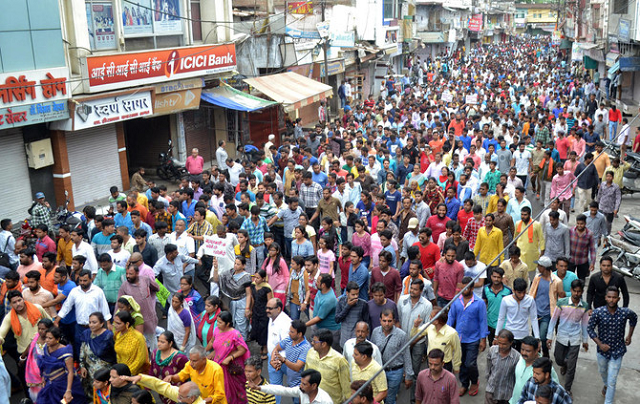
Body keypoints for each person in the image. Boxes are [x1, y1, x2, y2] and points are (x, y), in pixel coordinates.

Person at [588, 286, 637, 404]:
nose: (611, 300)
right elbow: (590, 329)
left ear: (618, 299)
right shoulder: (598, 312)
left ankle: (608, 401)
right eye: (609, 297)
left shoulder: (625, 312)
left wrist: (629, 335)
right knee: (603, 372)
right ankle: (605, 385)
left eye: (614, 297)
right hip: (602, 353)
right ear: (605, 298)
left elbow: (634, 318)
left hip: (618, 351)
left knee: (612, 381)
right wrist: (600, 344)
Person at [546, 279, 589, 396]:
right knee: (559, 359)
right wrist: (549, 336)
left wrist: (585, 340)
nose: (576, 294)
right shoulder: (562, 303)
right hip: (562, 336)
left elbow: (584, 324)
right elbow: (554, 319)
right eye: (574, 291)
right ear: (571, 290)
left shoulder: (584, 306)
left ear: (582, 292)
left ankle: (567, 389)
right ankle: (564, 364)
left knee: (572, 366)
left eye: (579, 291)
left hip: (575, 338)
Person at [447, 277, 487, 397]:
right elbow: (451, 318)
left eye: (467, 287)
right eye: (462, 287)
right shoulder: (456, 301)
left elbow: (482, 321)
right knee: (461, 362)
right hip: (458, 338)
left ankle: (474, 381)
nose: (464, 289)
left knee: (470, 363)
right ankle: (464, 384)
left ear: (472, 288)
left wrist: (483, 340)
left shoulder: (479, 303)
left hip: (473, 339)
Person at [370, 309, 413, 404]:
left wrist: (408, 375)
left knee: (390, 399)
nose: (387, 324)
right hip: (379, 371)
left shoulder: (401, 335)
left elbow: (406, 354)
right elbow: (372, 352)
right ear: (380, 320)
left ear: (394, 321)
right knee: (378, 397)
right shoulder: (375, 332)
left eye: (389, 321)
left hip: (395, 372)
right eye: (384, 321)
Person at [208, 311, 251, 404]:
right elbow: (212, 342)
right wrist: (204, 352)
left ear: (227, 324)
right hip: (218, 364)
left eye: (220, 322)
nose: (218, 324)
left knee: (234, 391)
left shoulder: (235, 334)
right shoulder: (216, 330)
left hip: (231, 367)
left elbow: (242, 350)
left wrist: (230, 358)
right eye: (217, 322)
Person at [37, 327, 87, 404]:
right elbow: (45, 364)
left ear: (57, 339)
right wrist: (44, 377)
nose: (47, 340)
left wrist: (68, 390)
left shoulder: (65, 351)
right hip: (50, 384)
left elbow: (70, 372)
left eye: (50, 338)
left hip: (63, 385)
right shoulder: (46, 348)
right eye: (46, 337)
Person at [529, 256, 566, 357]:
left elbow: (561, 297)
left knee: (542, 336)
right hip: (536, 313)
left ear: (544, 267)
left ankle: (545, 354)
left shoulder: (556, 281)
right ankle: (538, 355)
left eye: (539, 265)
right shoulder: (537, 278)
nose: (537, 267)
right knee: (534, 336)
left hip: (547, 314)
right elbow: (531, 293)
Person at [305, 329, 352, 404]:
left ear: (323, 344)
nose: (312, 343)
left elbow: (346, 386)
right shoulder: (310, 352)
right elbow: (306, 377)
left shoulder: (339, 360)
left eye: (315, 341)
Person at [212, 256, 253, 340]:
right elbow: (217, 279)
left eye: (238, 264)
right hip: (232, 302)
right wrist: (216, 268)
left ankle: (242, 342)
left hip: (242, 302)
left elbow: (249, 294)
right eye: (235, 263)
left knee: (241, 323)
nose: (236, 266)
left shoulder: (246, 277)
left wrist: (247, 308)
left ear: (243, 266)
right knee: (233, 322)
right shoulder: (229, 273)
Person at [510, 337, 559, 404]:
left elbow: (555, 390)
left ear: (536, 350)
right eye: (522, 349)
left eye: (528, 351)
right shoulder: (520, 359)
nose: (524, 353)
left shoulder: (545, 368)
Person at [78, 312, 116, 397]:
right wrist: (82, 366)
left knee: (103, 395)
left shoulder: (108, 336)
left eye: (94, 322)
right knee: (91, 395)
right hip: (89, 373)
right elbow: (82, 351)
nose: (91, 325)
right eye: (90, 322)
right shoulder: (86, 333)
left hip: (103, 373)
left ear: (102, 323)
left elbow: (115, 355)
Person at [271, 319, 312, 395]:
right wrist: (273, 360)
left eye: (292, 332)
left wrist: (283, 360)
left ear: (299, 334)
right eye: (289, 331)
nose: (289, 333)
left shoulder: (306, 348)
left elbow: (297, 367)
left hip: (300, 386)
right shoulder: (289, 340)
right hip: (291, 381)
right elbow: (276, 348)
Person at [497, 278, 540, 350]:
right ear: (514, 291)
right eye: (519, 292)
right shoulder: (506, 300)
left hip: (523, 335)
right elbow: (501, 318)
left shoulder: (530, 300)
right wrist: (497, 336)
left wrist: (537, 337)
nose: (522, 295)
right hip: (509, 335)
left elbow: (534, 319)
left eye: (524, 292)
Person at [248, 368, 333, 404]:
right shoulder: (301, 391)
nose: (300, 386)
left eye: (304, 384)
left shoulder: (325, 401)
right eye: (301, 382)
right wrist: (259, 388)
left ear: (314, 385)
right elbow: (281, 390)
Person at [485, 329, 521, 404]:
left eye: (504, 344)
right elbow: (488, 369)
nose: (501, 346)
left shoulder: (516, 357)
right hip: (491, 391)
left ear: (511, 343)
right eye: (499, 343)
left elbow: (516, 376)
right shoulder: (492, 350)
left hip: (506, 394)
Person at [113, 310, 148, 375]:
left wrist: (127, 373)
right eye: (115, 322)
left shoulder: (138, 337)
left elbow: (141, 360)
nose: (115, 325)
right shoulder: (117, 335)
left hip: (134, 374)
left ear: (127, 324)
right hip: (120, 371)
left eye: (118, 323)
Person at [24, 318, 51, 401]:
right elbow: (30, 346)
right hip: (34, 372)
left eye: (43, 329)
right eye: (39, 328)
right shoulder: (36, 337)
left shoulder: (52, 340)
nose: (40, 331)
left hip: (48, 371)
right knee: (36, 395)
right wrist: (22, 357)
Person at [483, 267, 512, 345]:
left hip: (504, 324)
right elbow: (483, 305)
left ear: (502, 278)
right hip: (490, 323)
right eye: (494, 277)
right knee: (492, 346)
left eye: (498, 277)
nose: (496, 279)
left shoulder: (508, 291)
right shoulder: (486, 289)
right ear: (491, 277)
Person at [336, 281, 370, 346]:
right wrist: (348, 306)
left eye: (357, 294)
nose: (355, 297)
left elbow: (367, 323)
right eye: (353, 294)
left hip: (357, 342)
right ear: (347, 293)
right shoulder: (341, 302)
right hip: (344, 340)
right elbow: (337, 319)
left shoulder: (363, 304)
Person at [515, 207, 544, 281]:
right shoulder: (518, 224)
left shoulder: (536, 224)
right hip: (520, 254)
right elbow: (515, 238)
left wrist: (542, 252)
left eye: (525, 215)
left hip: (531, 254)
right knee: (520, 275)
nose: (523, 216)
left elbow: (541, 239)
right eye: (522, 214)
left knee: (531, 277)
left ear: (529, 215)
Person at [250, 270, 273, 358]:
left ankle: (265, 347)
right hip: (256, 310)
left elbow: (269, 301)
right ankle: (261, 344)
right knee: (256, 328)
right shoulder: (253, 286)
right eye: (255, 277)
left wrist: (269, 312)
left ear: (263, 279)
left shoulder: (267, 288)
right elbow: (252, 298)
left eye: (258, 278)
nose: (255, 279)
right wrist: (250, 309)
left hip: (264, 312)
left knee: (264, 330)